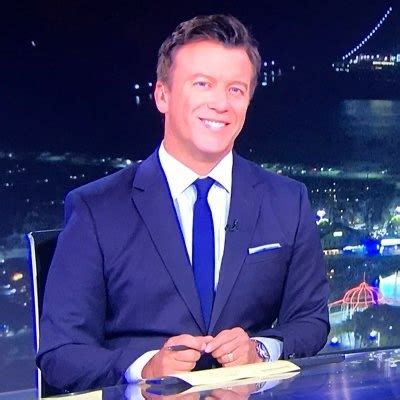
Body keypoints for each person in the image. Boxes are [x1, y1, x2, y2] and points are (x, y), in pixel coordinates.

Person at [37, 14, 330, 393]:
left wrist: (260, 350)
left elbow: (311, 321)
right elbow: (60, 353)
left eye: (236, 89)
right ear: (162, 95)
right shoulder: (96, 209)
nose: (220, 103)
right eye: (203, 84)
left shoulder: (289, 200)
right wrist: (144, 367)